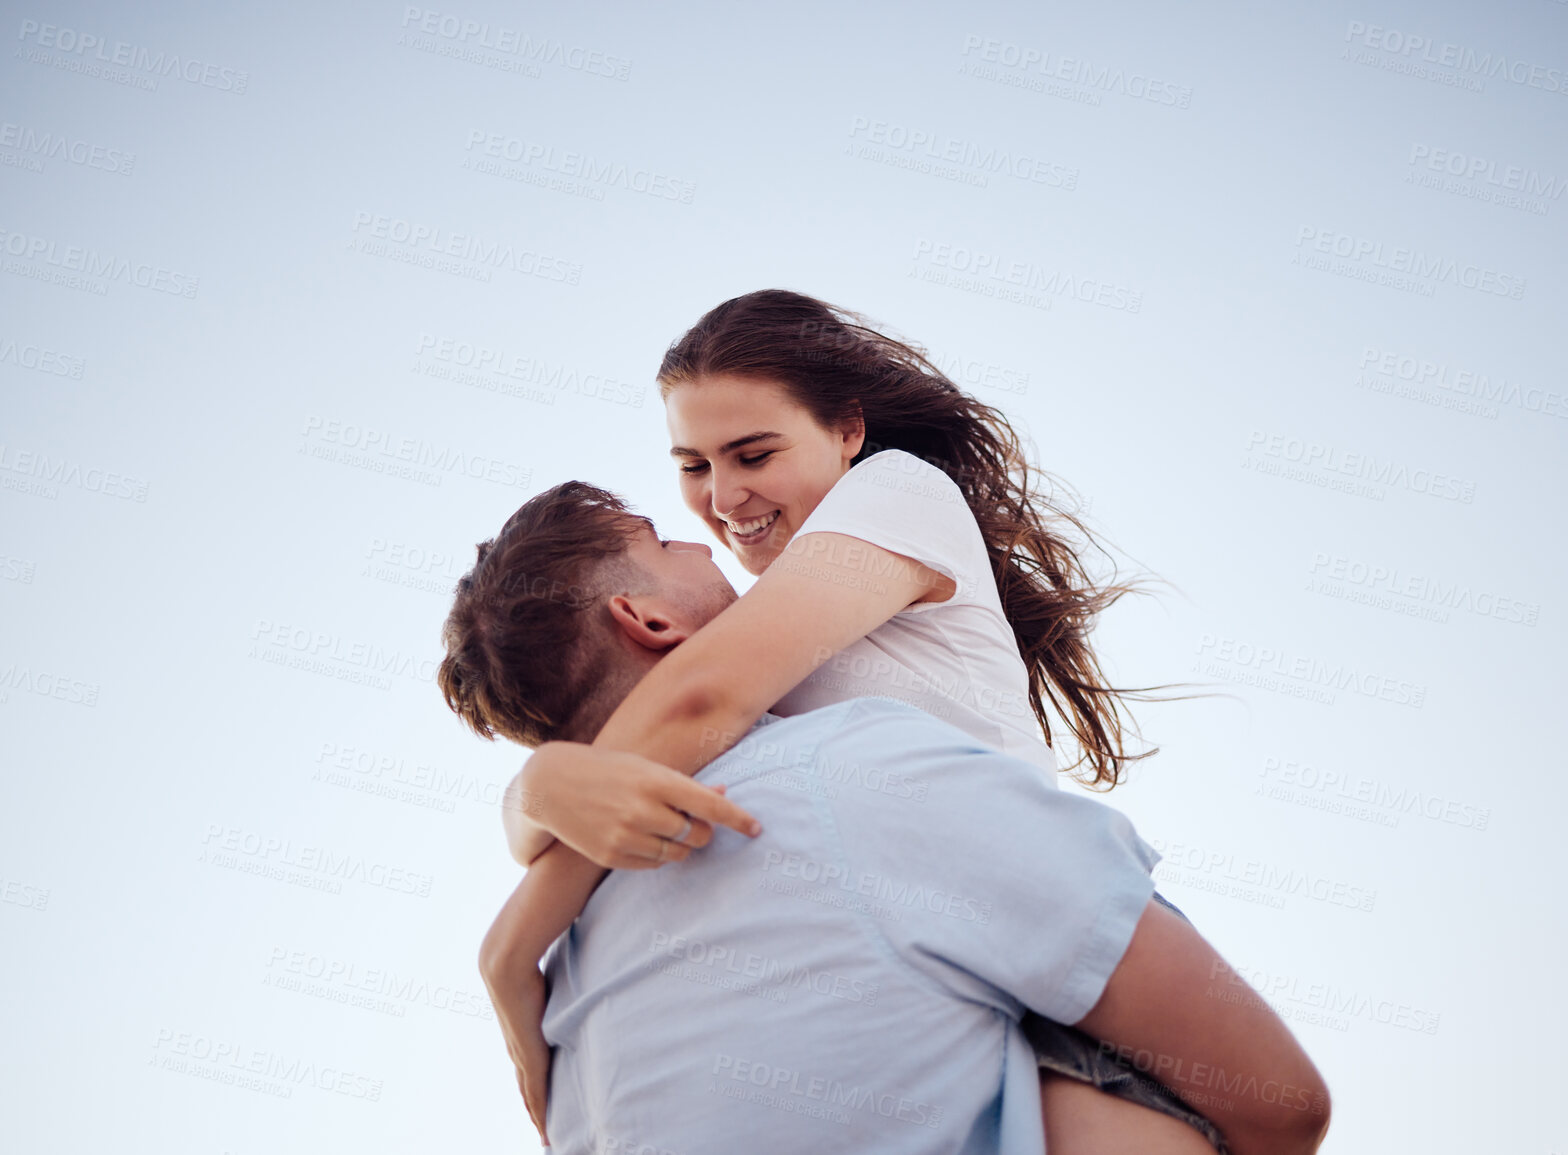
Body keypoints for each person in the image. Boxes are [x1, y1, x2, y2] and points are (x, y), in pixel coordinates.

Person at [448, 290, 1272, 1149]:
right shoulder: (755, 626)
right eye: (692, 466)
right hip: (955, 970)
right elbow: (652, 742)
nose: (722, 498)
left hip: (1052, 943)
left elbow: (694, 706)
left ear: (846, 430)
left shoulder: (893, 495)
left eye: (752, 453)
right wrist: (537, 786)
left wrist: (512, 945)